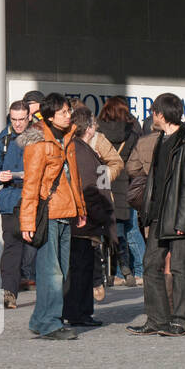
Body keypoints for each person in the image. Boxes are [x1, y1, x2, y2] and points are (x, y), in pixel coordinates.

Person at [129, 92, 185, 336]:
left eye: (153, 112)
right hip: (159, 214)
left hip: (178, 216)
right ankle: (157, 320)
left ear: (161, 114)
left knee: (181, 268)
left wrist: (184, 222)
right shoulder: (160, 139)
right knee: (151, 264)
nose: (152, 116)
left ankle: (182, 321)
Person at [19, 94, 86, 341]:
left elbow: (74, 178)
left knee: (61, 271)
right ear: (50, 116)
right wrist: (27, 222)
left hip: (66, 212)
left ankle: (40, 319)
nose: (69, 115)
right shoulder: (39, 143)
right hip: (49, 214)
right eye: (64, 112)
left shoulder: (67, 138)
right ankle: (50, 323)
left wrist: (80, 209)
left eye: (69, 111)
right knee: (52, 272)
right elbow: (31, 185)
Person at [64, 106, 116, 328]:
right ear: (89, 128)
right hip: (85, 221)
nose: (96, 128)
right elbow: (90, 188)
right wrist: (102, 216)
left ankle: (80, 311)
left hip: (84, 219)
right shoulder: (81, 151)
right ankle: (78, 312)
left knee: (82, 268)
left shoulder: (82, 149)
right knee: (81, 269)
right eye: (94, 124)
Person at [0, 100, 34, 309]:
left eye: (22, 119)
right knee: (12, 246)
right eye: (14, 119)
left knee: (38, 246)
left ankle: (51, 288)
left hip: (34, 197)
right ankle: (9, 292)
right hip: (11, 198)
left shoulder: (39, 138)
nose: (18, 124)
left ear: (29, 117)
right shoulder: (2, 141)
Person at [96, 96, 143, 286]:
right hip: (124, 181)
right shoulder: (132, 133)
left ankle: (114, 272)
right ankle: (139, 270)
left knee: (109, 229)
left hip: (102, 177)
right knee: (131, 229)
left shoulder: (98, 131)